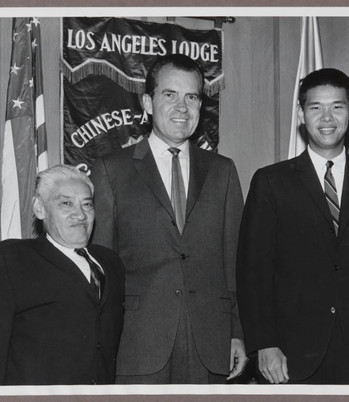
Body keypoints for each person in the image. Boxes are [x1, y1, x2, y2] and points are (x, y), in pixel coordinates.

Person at [237, 68, 349, 385]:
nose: (327, 118)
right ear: (301, 114)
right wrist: (264, 343)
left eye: (337, 106)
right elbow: (253, 272)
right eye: (316, 107)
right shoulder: (271, 182)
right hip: (289, 358)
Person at [91, 54, 247, 384]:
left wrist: (237, 332)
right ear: (148, 103)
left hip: (210, 344)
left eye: (192, 97)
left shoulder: (223, 172)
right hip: (137, 343)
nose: (182, 107)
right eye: (169, 95)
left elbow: (235, 262)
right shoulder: (111, 170)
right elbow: (101, 270)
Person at [0, 164, 125, 385]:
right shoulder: (9, 259)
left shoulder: (110, 262)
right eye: (66, 203)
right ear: (40, 208)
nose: (80, 214)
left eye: (87, 204)